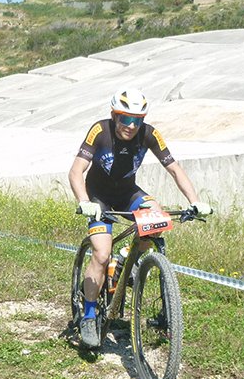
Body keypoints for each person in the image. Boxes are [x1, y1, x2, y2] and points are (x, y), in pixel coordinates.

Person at [68, 88, 212, 349]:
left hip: (127, 193)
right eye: (125, 118)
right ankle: (89, 316)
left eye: (137, 120)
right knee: (101, 254)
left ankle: (124, 258)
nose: (131, 126)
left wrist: (195, 201)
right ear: (114, 115)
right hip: (98, 196)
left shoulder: (149, 134)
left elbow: (174, 168)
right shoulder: (99, 131)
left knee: (155, 218)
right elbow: (76, 171)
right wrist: (84, 202)